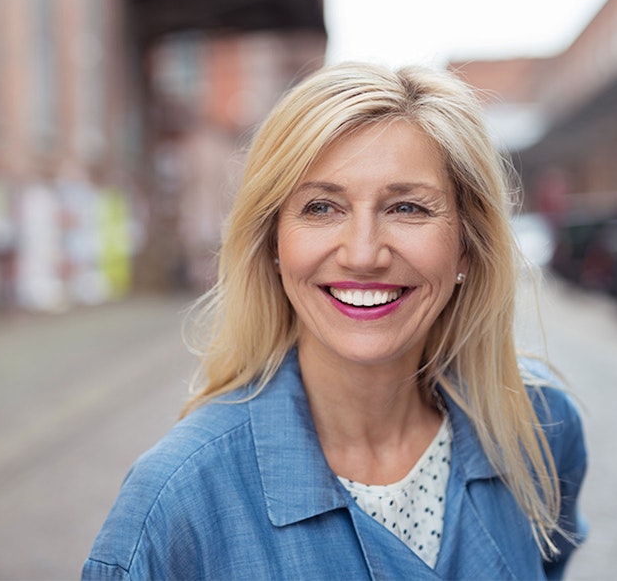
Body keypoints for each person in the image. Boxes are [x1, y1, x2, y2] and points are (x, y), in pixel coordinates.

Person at [82, 62, 587, 580]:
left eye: (408, 208)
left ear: (466, 246)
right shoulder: (177, 498)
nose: (364, 254)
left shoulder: (541, 428)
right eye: (322, 207)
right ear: (273, 244)